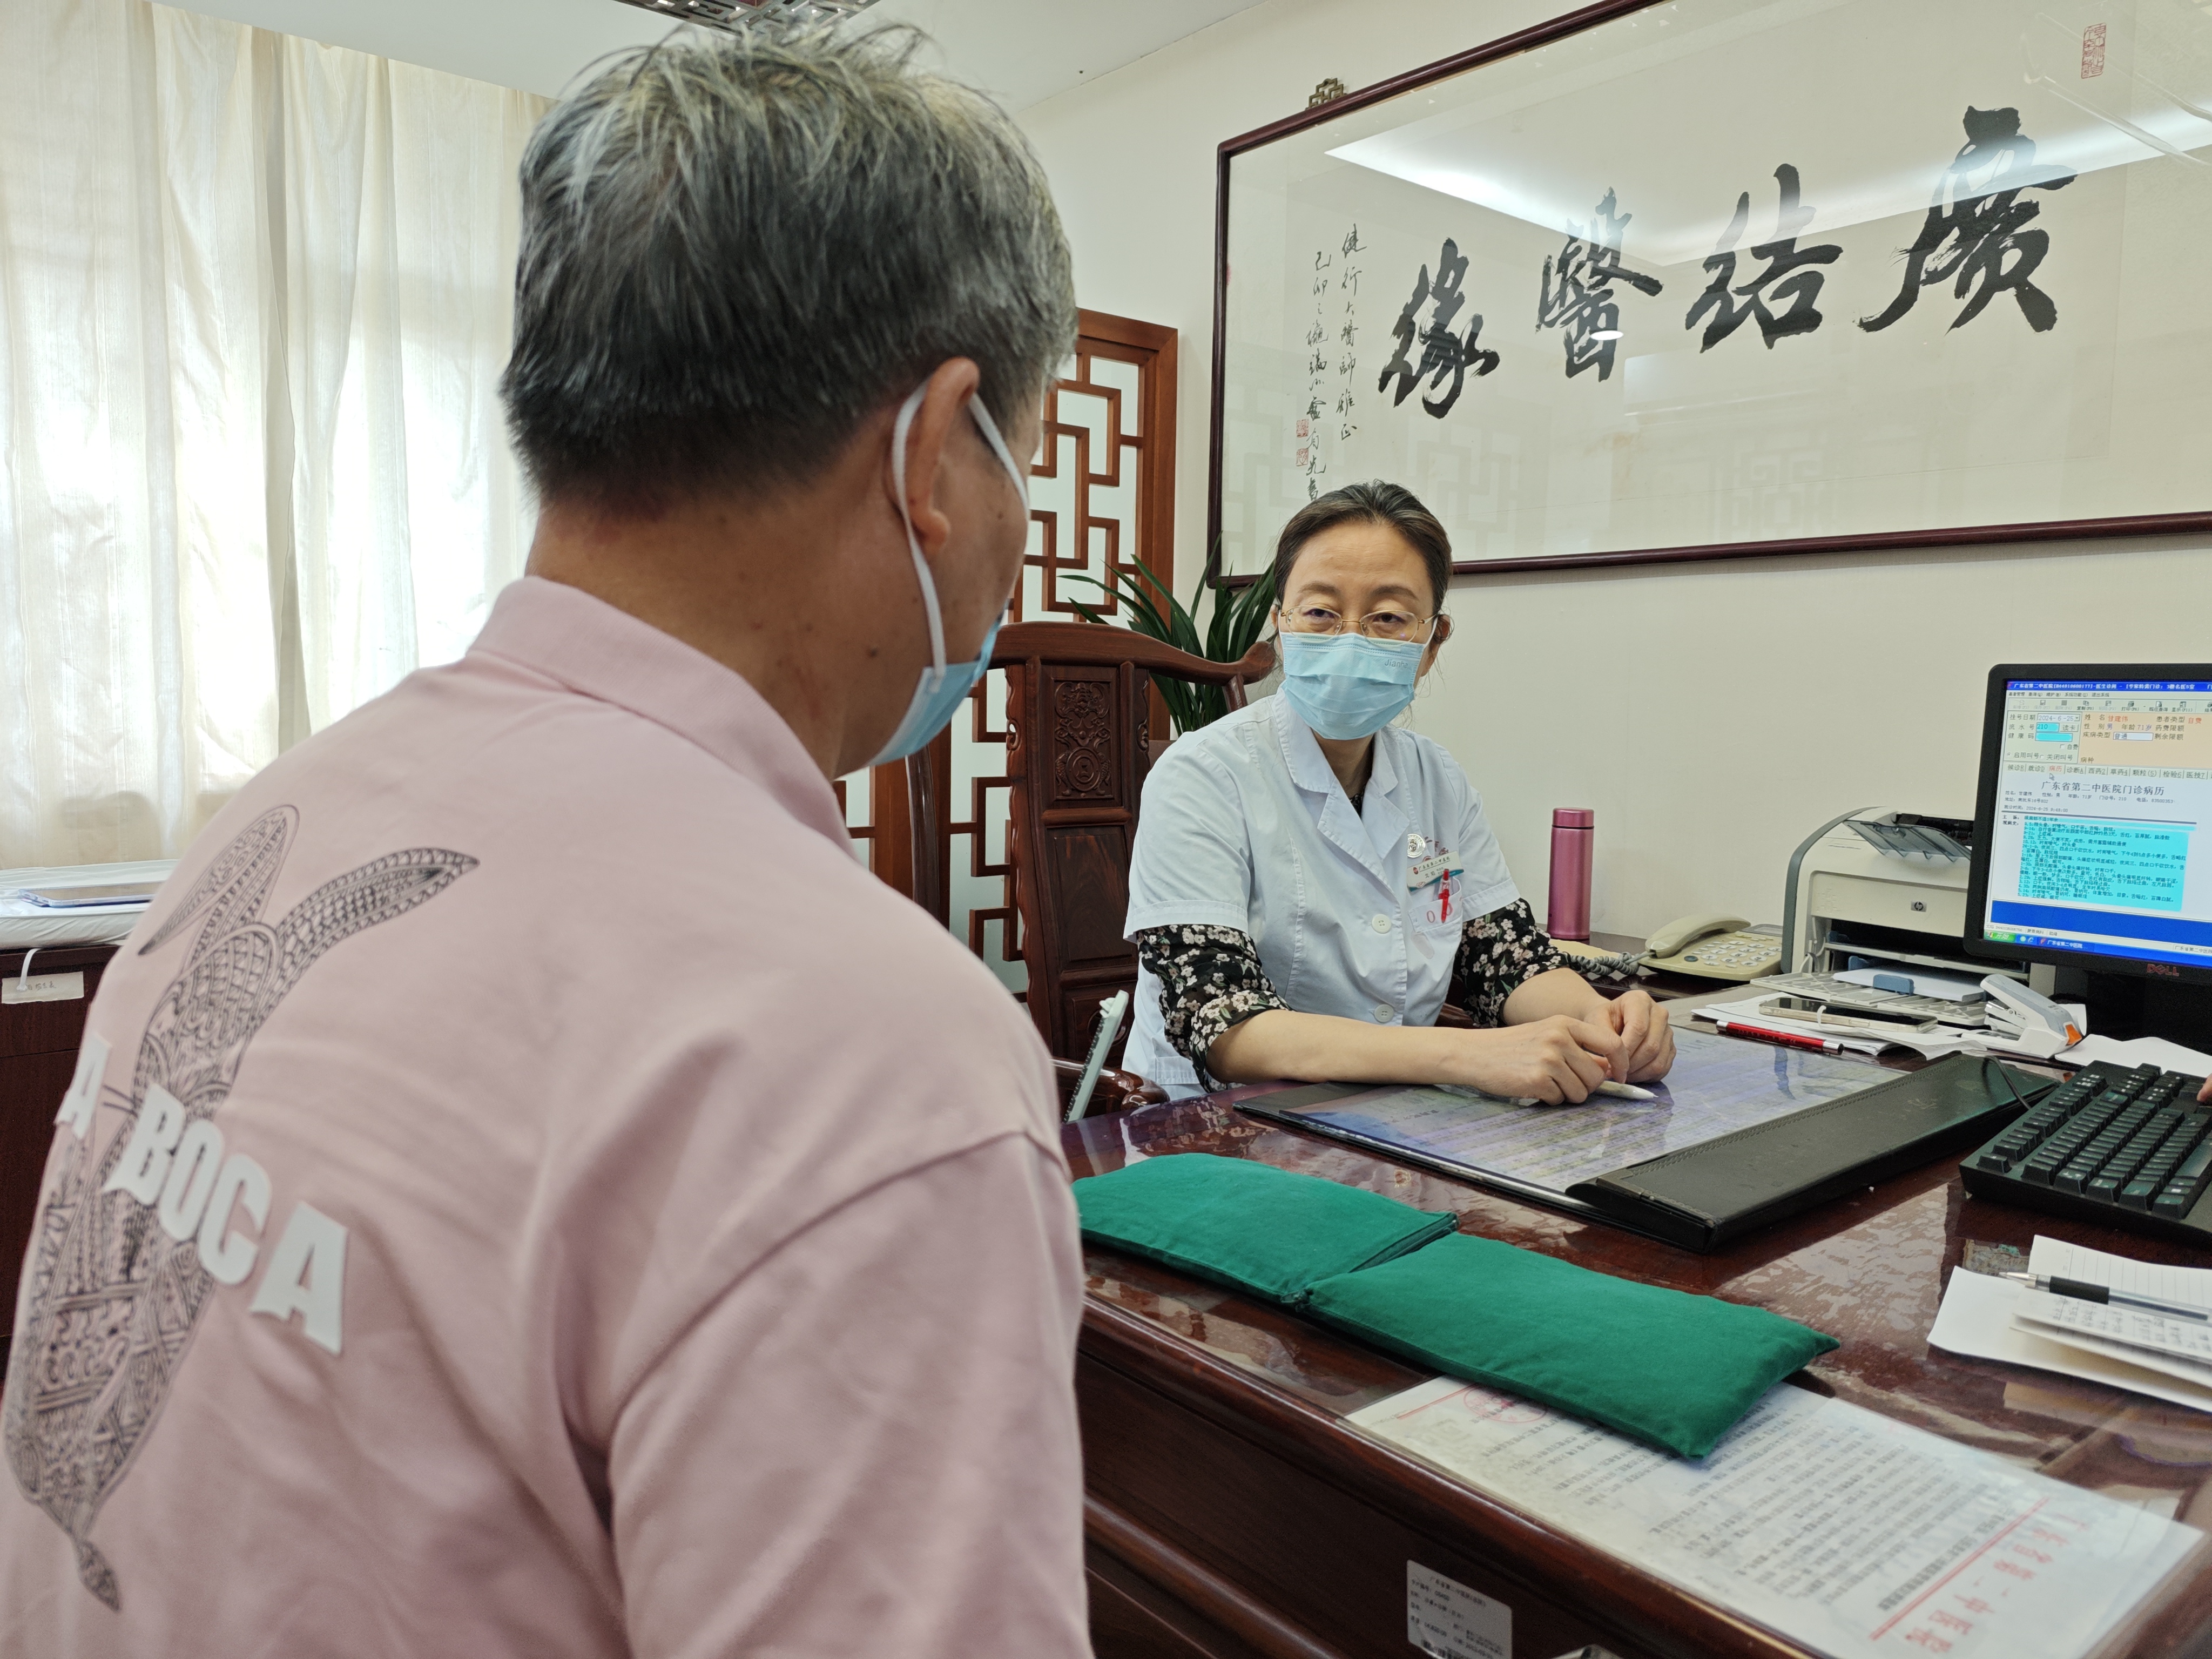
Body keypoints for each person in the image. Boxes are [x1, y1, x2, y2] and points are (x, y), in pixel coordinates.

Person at [1, 28, 1089, 1657]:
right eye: (1023, 457)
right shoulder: (870, 1059)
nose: (1016, 534)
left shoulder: (282, 817)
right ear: (936, 450)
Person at [1122, 481, 1676, 1102]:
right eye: (1320, 612)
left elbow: (1503, 958)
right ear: (1279, 626)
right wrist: (1467, 1056)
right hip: (1220, 1127)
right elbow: (1225, 1027)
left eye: (1387, 617)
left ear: (1432, 642)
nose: (1350, 638)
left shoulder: (1437, 780)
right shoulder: (1201, 774)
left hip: (1392, 1117)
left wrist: (1602, 1022)